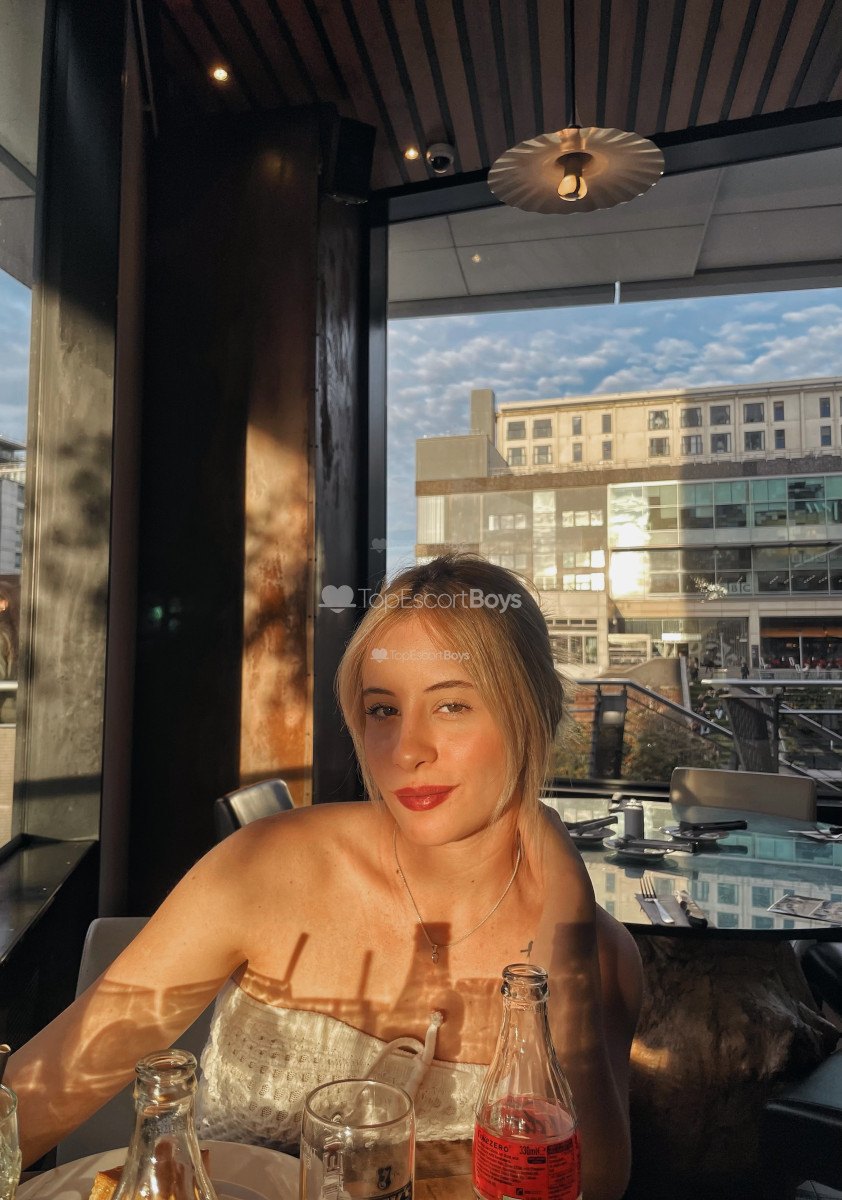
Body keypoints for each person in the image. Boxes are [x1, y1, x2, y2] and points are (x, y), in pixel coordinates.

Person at [7, 554, 641, 1200]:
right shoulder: (266, 868)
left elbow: (591, 1184)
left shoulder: (600, 954)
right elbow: (39, 1092)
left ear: (533, 713)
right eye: (382, 710)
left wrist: (566, 909)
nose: (407, 750)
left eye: (451, 705)